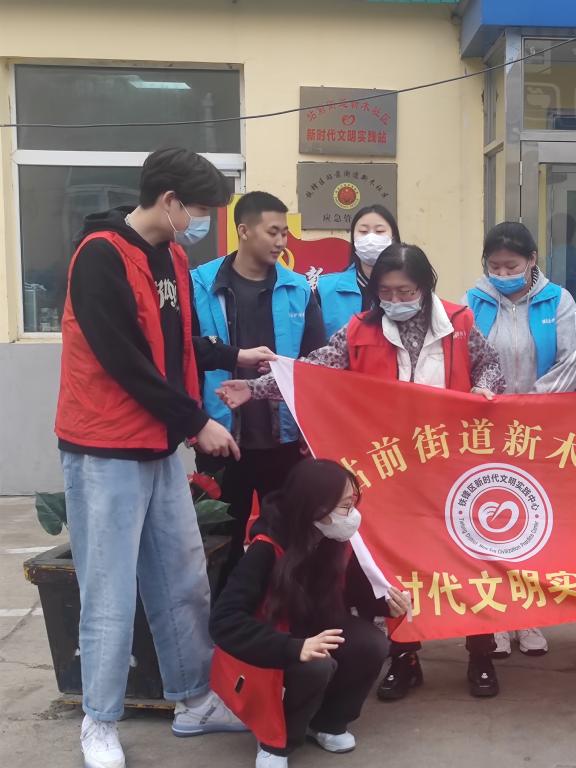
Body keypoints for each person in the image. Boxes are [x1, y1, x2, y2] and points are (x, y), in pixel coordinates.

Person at [216, 243, 507, 700]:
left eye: (405, 291)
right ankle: (405, 657)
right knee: (396, 564)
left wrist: (484, 390)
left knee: (466, 556)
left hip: (450, 465)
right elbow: (312, 372)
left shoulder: (460, 323)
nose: (395, 300)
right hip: (390, 469)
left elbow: (490, 366)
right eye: (385, 292)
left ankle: (481, 652)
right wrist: (256, 388)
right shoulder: (358, 330)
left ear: (425, 286)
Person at [55, 148, 258, 768]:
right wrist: (197, 422)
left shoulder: (171, 255)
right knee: (110, 589)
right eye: (199, 210)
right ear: (169, 201)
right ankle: (99, 720)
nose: (202, 223)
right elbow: (123, 359)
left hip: (158, 444)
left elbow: (176, 342)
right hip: (106, 447)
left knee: (181, 578)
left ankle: (193, 701)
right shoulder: (99, 257)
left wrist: (233, 356)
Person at [210, 459, 408, 768]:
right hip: (270, 640)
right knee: (315, 665)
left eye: (353, 503)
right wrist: (292, 647)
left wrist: (387, 604)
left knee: (371, 643)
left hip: (315, 626)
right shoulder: (265, 547)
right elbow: (224, 621)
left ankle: (328, 723)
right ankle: (277, 742)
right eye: (345, 507)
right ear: (315, 506)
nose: (352, 515)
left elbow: (358, 592)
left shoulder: (335, 540)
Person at [191, 191, 327, 590]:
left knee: (287, 540)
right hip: (220, 439)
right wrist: (193, 423)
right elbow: (185, 356)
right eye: (273, 232)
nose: (281, 241)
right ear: (244, 230)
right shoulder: (200, 284)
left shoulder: (299, 289)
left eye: (285, 233)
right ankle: (222, 617)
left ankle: (280, 615)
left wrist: (310, 433)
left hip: (284, 441)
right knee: (220, 543)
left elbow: (315, 364)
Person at [464, 221, 576, 659]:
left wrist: (531, 405)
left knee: (532, 523)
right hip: (486, 429)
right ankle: (494, 619)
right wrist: (488, 401)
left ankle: (529, 616)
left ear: (532, 260)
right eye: (494, 266)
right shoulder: (472, 301)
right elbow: (464, 357)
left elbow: (572, 360)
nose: (502, 273)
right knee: (486, 523)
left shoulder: (559, 300)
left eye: (511, 265)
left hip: (539, 432)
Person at [317, 205, 401, 337]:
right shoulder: (325, 288)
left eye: (379, 231)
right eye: (363, 231)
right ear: (353, 239)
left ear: (393, 238)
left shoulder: (411, 287)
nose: (371, 238)